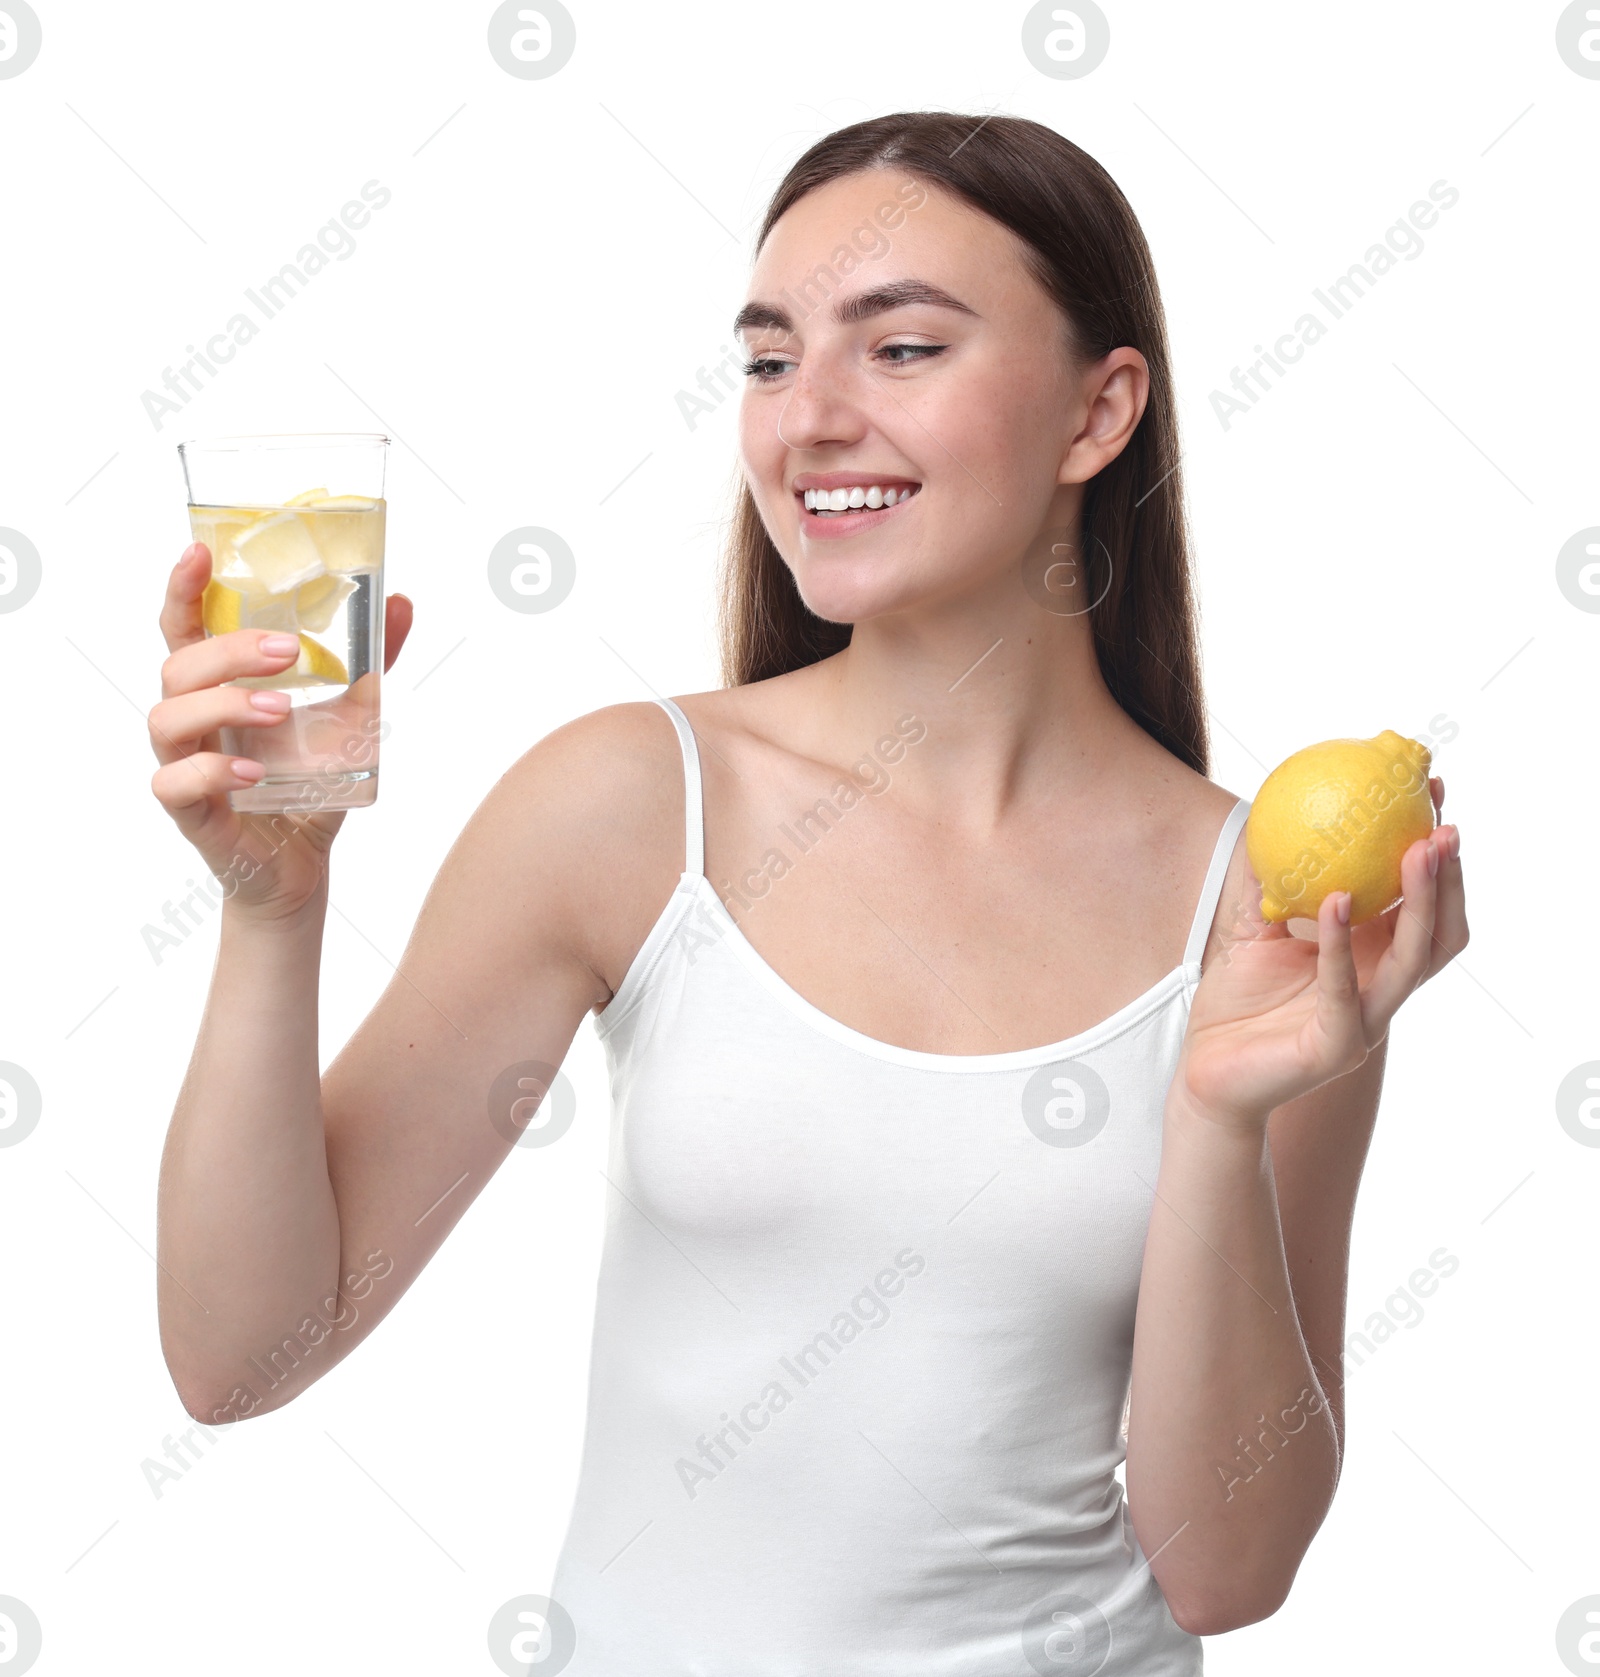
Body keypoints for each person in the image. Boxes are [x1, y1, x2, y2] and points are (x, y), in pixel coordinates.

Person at [149, 112, 1467, 1673]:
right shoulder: (632, 804)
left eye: (900, 348)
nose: (809, 419)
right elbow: (241, 1356)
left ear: (1099, 412)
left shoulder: (1270, 905)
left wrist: (1222, 1116)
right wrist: (270, 912)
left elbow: (1225, 1568)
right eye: (771, 362)